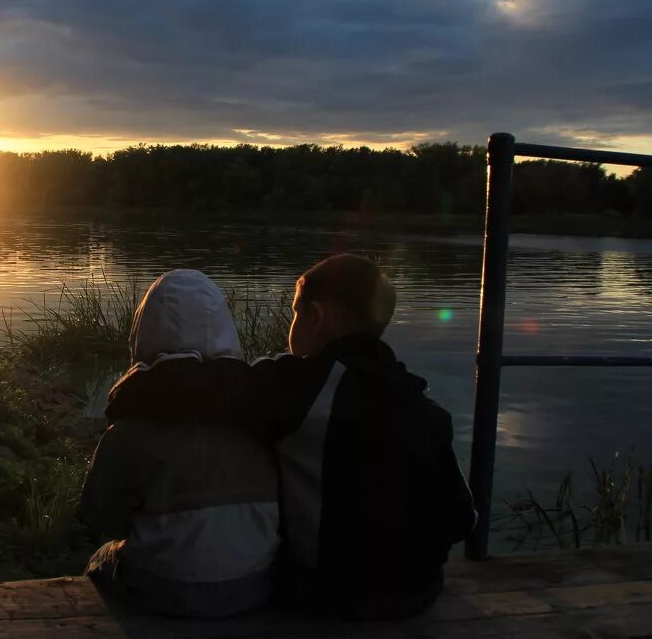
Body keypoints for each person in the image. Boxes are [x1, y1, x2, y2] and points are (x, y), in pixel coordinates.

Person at [255, 253, 476, 620]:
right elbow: (461, 520)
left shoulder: (298, 386)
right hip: (419, 592)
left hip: (329, 596)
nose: (291, 325)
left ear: (315, 317)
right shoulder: (422, 406)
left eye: (295, 313)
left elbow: (210, 393)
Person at [80, 269, 281, 618]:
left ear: (144, 330)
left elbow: (101, 516)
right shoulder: (264, 409)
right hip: (258, 585)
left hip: (163, 590)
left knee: (100, 556)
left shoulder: (134, 420)